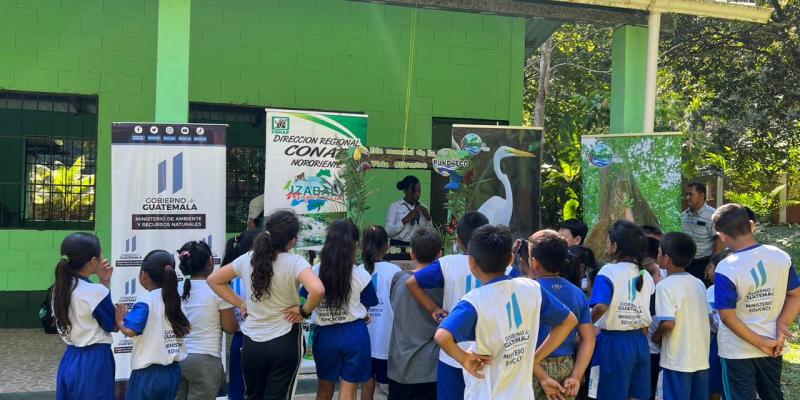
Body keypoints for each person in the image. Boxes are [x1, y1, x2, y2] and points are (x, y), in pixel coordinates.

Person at [435, 224, 578, 399]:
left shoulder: (474, 301)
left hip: (487, 394)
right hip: (522, 394)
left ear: (471, 263)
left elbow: (442, 336)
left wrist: (464, 358)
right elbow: (569, 321)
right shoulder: (531, 288)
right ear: (511, 259)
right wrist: (535, 358)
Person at [207, 210, 325, 400]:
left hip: (252, 342)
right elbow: (318, 290)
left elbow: (213, 280)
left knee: (253, 396)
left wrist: (241, 303)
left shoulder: (247, 258)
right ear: (293, 240)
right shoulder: (295, 262)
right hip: (285, 338)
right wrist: (304, 311)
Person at [711, 203, 800, 400]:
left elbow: (727, 316)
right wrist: (782, 323)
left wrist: (761, 343)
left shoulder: (726, 267)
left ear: (722, 236)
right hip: (773, 344)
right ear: (751, 226)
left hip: (737, 351)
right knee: (773, 395)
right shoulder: (780, 257)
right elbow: (796, 295)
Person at [406, 211, 489, 400]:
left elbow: (411, 282)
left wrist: (433, 309)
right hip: (488, 352)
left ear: (458, 240)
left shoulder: (447, 263)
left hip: (452, 351)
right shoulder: (503, 267)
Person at [303, 220, 379, 400]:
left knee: (324, 389)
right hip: (354, 335)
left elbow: (305, 298)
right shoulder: (361, 274)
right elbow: (367, 302)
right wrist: (360, 313)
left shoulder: (313, 272)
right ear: (354, 244)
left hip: (324, 336)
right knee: (348, 390)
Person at [589, 220, 655, 400]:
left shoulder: (608, 271)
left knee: (611, 394)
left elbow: (601, 306)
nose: (606, 245)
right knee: (636, 395)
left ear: (615, 246)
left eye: (608, 241)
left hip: (614, 343)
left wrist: (585, 325)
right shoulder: (645, 275)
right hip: (639, 342)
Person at [528, 230, 595, 400]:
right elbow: (588, 338)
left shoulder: (527, 292)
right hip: (566, 369)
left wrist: (539, 371)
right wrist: (576, 376)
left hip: (531, 368)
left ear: (534, 263)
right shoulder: (577, 293)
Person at [115, 250, 191, 400]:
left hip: (147, 375)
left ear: (144, 275)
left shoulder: (145, 300)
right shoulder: (176, 299)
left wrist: (120, 321)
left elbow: (130, 330)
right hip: (172, 372)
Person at [52, 233, 115, 400]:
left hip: (70, 357)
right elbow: (112, 325)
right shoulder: (96, 291)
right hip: (95, 361)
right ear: (93, 261)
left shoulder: (59, 288)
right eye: (101, 254)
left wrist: (103, 284)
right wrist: (105, 285)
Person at [175, 241, 238, 400]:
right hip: (206, 360)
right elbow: (230, 327)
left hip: (176, 358)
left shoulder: (173, 289)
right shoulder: (219, 290)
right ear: (210, 261)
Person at [652, 232, 710, 400]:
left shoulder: (664, 286)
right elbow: (708, 317)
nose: (657, 255)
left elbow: (668, 323)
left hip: (676, 360)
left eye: (659, 252)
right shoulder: (698, 283)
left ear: (666, 258)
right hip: (700, 358)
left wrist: (657, 335)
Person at [387, 227, 444, 400]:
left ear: (412, 254)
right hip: (431, 369)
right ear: (440, 255)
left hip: (400, 366)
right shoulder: (443, 285)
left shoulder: (399, 279)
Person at [220, 229, 260, 400]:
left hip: (239, 340)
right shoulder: (255, 278)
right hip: (256, 339)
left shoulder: (231, 280)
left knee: (239, 391)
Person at [361, 225, 400, 400]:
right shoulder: (395, 271)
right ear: (387, 246)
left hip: (363, 339)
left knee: (366, 382)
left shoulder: (358, 270)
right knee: (392, 386)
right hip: (387, 339)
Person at [682, 182, 721, 282]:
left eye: (691, 194)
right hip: (685, 263)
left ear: (701, 196)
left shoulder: (713, 215)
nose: (687, 197)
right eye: (686, 194)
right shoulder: (684, 215)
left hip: (703, 264)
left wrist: (712, 263)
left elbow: (719, 240)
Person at [705, 250, 731, 400]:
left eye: (711, 267)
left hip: (729, 340)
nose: (708, 272)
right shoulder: (710, 290)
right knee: (714, 380)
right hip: (714, 341)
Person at [386, 175, 433, 246]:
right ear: (405, 190)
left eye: (419, 191)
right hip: (398, 246)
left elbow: (430, 233)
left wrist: (428, 218)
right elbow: (388, 232)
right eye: (414, 191)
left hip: (418, 246)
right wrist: (406, 219)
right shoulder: (394, 207)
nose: (417, 194)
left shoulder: (424, 208)